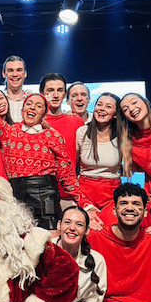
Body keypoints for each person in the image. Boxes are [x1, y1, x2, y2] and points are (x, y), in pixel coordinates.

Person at [0, 62, 95, 230]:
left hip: (47, 200)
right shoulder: (9, 132)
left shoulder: (53, 136)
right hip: (16, 199)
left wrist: (87, 205)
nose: (32, 108)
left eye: (38, 106)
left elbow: (67, 175)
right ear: (22, 111)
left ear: (44, 114)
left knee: (48, 247)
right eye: (29, 105)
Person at [40, 73, 84, 210]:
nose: (55, 95)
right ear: (42, 93)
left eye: (60, 90)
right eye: (50, 90)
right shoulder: (35, 123)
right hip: (42, 194)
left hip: (69, 195)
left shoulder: (76, 121)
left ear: (65, 95)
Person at [76, 93, 125, 214]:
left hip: (112, 192)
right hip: (84, 191)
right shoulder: (82, 132)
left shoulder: (123, 135)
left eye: (108, 106)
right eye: (99, 104)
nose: (102, 109)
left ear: (115, 114)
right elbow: (73, 165)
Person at [1, 55, 29, 122]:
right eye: (10, 70)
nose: (15, 74)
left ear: (25, 74)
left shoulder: (33, 100)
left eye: (19, 70)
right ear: (4, 74)